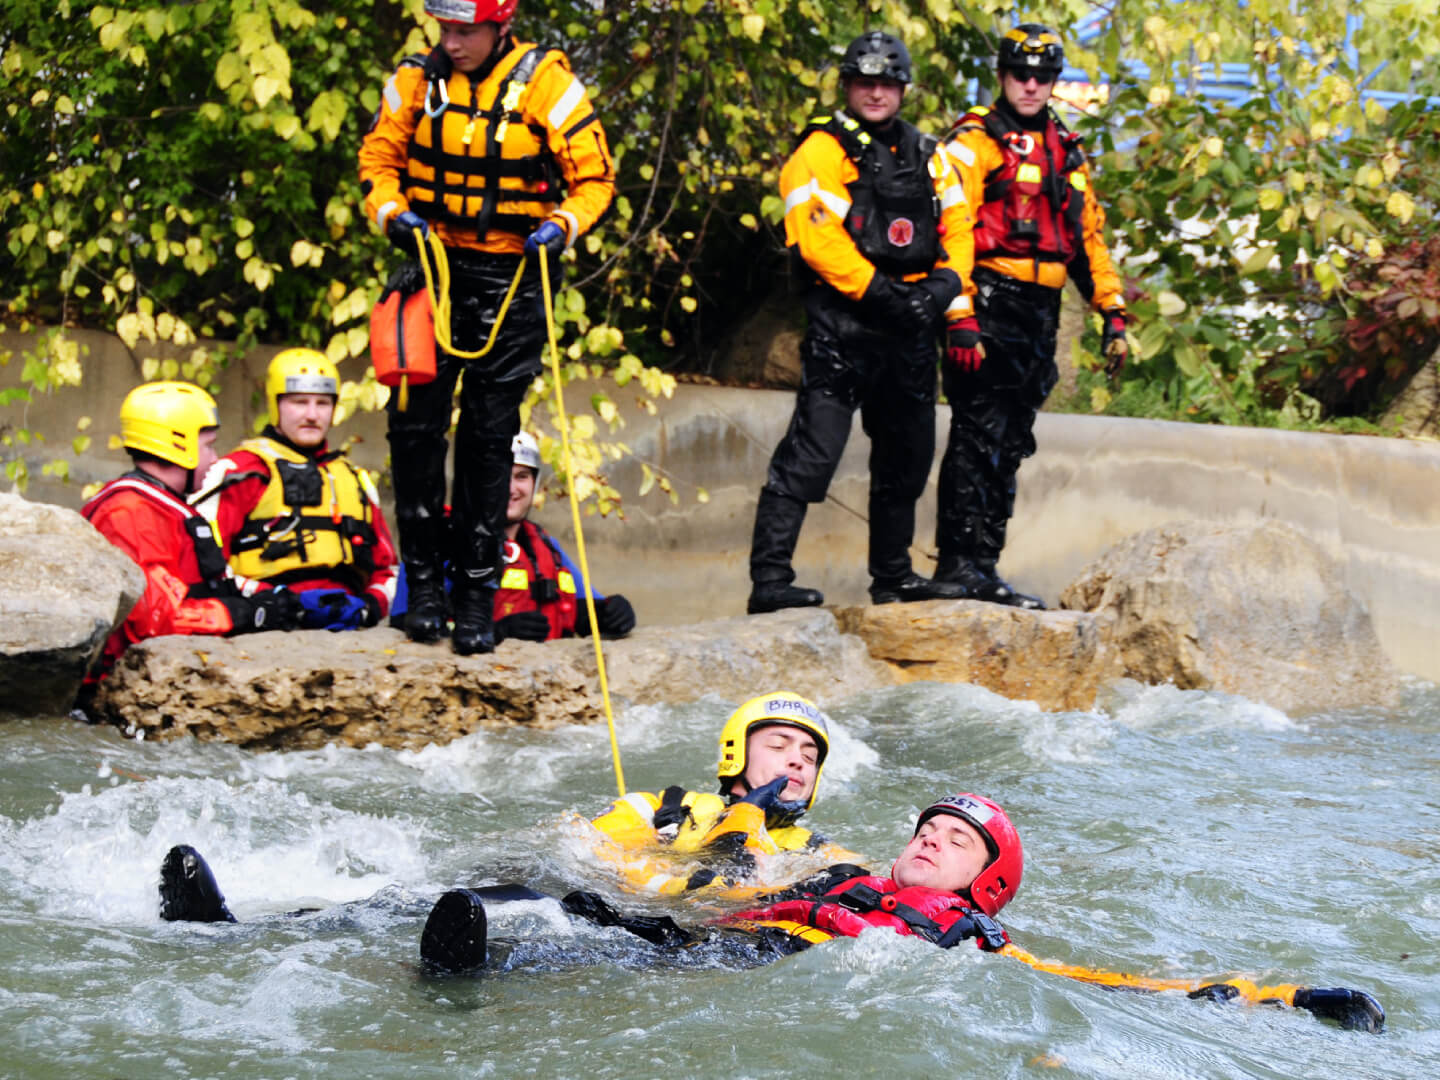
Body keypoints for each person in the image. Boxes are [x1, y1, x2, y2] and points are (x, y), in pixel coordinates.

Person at [416, 791, 1386, 1034]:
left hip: (787, 978)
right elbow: (706, 901)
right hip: (730, 942)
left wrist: (1282, 997)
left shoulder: (967, 935)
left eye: (956, 842)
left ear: (982, 885)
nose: (930, 839)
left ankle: (492, 974)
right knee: (573, 909)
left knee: (632, 966)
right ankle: (460, 954)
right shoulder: (839, 879)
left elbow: (1107, 985)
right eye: (927, 828)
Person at [358, 0, 615, 655]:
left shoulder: (547, 84)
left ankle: (475, 601)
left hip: (511, 278)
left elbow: (595, 180)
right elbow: (378, 164)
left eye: (465, 30)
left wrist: (562, 225)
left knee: (487, 442)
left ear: (500, 27)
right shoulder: (417, 80)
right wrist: (392, 213)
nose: (453, 41)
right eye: (445, 29)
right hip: (431, 268)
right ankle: (425, 596)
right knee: (414, 436)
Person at [746, 30, 970, 615]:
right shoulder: (820, 151)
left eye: (887, 82)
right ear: (847, 85)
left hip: (911, 334)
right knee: (811, 454)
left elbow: (960, 229)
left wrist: (944, 289)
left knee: (906, 460)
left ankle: (893, 577)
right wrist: (884, 295)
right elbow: (818, 241)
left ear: (903, 89)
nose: (876, 93)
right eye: (864, 82)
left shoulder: (929, 153)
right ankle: (770, 581)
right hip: (845, 330)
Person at [934, 24, 1130, 609]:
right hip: (989, 300)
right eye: (1020, 73)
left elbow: (1087, 237)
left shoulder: (1064, 148)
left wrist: (1113, 311)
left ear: (1054, 81)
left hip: (1038, 313)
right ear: (1001, 76)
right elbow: (953, 229)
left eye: (1042, 75)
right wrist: (960, 313)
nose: (1030, 84)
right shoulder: (975, 142)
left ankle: (984, 566)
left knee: (1011, 441)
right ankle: (957, 563)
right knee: (978, 433)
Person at [78, 382, 301, 692]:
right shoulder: (130, 514)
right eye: (208, 446)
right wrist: (245, 614)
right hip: (116, 690)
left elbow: (199, 583)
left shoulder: (164, 506)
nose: (214, 459)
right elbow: (157, 620)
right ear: (176, 445)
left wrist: (271, 599)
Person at [190, 349, 398, 631]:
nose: (312, 415)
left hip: (348, 626)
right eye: (299, 402)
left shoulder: (355, 479)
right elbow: (203, 563)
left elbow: (388, 570)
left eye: (322, 403)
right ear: (276, 405)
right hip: (266, 623)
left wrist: (368, 606)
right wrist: (277, 601)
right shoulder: (240, 471)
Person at [585, 691, 859, 895]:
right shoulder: (659, 809)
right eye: (777, 746)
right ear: (736, 753)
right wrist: (744, 816)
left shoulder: (822, 852)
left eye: (809, 757)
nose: (797, 761)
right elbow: (588, 858)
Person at [491, 432, 635, 643]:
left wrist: (612, 613)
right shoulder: (455, 544)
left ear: (534, 483)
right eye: (501, 476)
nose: (511, 489)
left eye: (521, 476)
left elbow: (583, 610)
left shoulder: (544, 545)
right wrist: (497, 632)